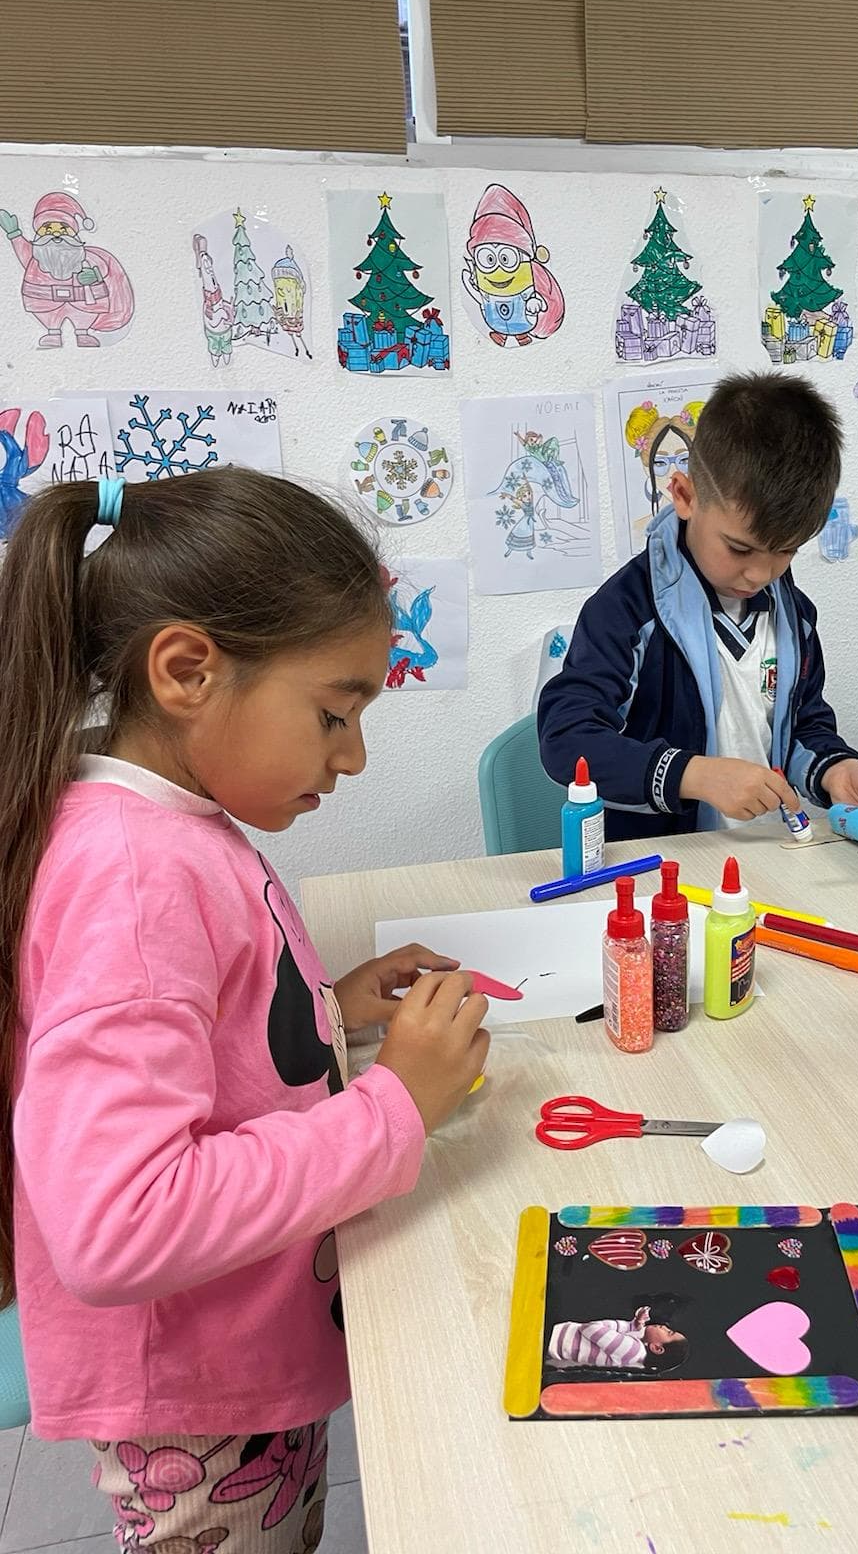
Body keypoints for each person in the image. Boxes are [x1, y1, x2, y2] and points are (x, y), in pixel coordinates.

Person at [0, 468, 490, 1551]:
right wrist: (395, 1106)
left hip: (237, 1356)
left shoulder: (174, 824)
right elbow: (118, 1224)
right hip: (193, 1402)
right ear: (186, 669)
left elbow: (197, 1036)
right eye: (334, 711)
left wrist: (329, 1012)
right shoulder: (135, 873)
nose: (351, 756)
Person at [538, 371, 858, 838]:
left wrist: (835, 770)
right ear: (684, 496)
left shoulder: (794, 615)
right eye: (740, 549)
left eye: (786, 550)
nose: (761, 574)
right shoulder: (627, 610)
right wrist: (696, 775)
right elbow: (567, 739)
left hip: (766, 857)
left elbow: (803, 724)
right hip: (663, 868)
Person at [546, 1306, 688, 1373]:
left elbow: (589, 1329)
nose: (663, 1326)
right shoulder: (636, 1355)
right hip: (552, 1342)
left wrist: (627, 1326)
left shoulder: (633, 1350)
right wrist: (635, 1326)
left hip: (550, 1337)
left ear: (657, 1348)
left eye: (668, 1332)